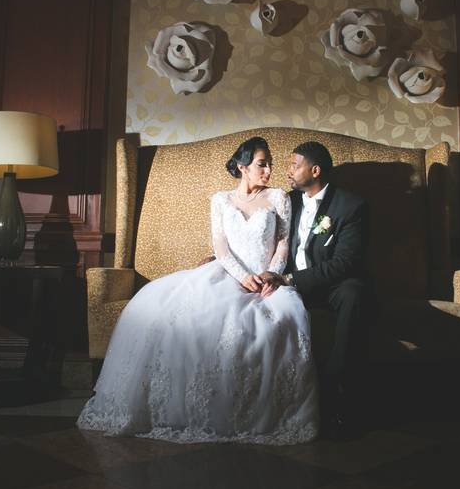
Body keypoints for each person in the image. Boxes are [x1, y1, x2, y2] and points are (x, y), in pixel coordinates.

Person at [77, 136, 318, 444]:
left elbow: (283, 243)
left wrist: (270, 273)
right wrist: (243, 277)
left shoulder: (279, 198)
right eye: (262, 164)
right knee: (167, 310)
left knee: (281, 316)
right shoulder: (220, 199)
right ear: (243, 166)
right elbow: (220, 247)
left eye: (270, 163)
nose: (269, 170)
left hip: (266, 276)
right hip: (227, 272)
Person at [262, 141, 371, 437]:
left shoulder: (351, 206)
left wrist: (293, 281)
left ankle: (338, 390)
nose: (287, 172)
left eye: (294, 166)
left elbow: (344, 263)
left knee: (354, 293)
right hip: (289, 281)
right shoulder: (288, 201)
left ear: (315, 170)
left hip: (331, 284)